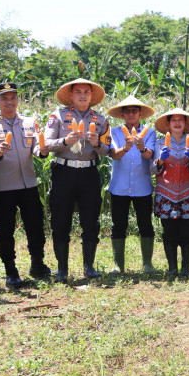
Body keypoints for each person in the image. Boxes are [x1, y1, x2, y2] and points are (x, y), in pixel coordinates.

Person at [44, 78, 111, 282]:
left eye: (86, 92)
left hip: (88, 174)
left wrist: (97, 143)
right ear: (71, 95)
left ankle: (88, 267)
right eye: (78, 92)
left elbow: (107, 150)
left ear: (91, 96)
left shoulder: (100, 120)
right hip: (64, 172)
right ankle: (62, 269)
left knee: (90, 221)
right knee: (60, 221)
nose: (83, 95)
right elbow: (45, 144)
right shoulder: (58, 116)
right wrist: (65, 141)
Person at [0, 82, 50, 287]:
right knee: (5, 230)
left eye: (13, 97)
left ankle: (37, 265)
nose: (9, 101)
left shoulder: (30, 123)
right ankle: (11, 271)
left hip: (29, 185)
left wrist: (43, 152)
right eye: (4, 98)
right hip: (3, 187)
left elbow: (37, 148)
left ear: (17, 100)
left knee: (36, 227)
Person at [106, 95, 156, 274]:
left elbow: (149, 155)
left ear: (140, 113)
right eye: (127, 111)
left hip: (142, 186)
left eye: (134, 111)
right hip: (119, 186)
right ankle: (118, 265)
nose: (131, 114)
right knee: (118, 225)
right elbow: (113, 154)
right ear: (122, 114)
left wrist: (141, 147)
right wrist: (126, 148)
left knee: (146, 225)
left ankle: (147, 264)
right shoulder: (114, 132)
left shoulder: (149, 132)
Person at [152, 108, 189, 277]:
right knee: (169, 232)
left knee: (187, 231)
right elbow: (153, 169)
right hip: (166, 193)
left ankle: (185, 268)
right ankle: (172, 268)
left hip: (188, 193)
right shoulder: (159, 143)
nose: (177, 123)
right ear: (169, 124)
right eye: (174, 120)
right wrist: (160, 160)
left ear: (185, 123)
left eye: (181, 120)